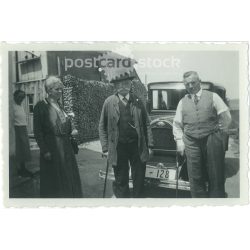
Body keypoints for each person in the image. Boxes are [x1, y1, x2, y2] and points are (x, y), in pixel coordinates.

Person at [173, 71, 232, 198]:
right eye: (187, 84)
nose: (190, 86)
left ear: (200, 81)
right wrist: (180, 141)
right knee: (194, 175)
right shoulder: (182, 102)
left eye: (193, 82)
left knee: (215, 173)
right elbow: (177, 124)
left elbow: (226, 116)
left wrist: (221, 131)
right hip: (191, 141)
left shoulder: (213, 96)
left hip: (212, 138)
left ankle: (216, 203)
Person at [99, 73, 154, 198]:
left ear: (130, 84)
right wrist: (105, 148)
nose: (123, 86)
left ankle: (137, 203)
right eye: (119, 84)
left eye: (126, 83)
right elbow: (102, 126)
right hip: (118, 147)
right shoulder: (109, 102)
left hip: (137, 146)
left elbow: (147, 124)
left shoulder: (138, 101)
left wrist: (150, 145)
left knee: (139, 178)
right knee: (120, 179)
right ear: (115, 86)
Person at [33, 76, 82, 198]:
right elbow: (38, 132)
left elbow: (65, 123)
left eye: (61, 89)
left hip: (66, 146)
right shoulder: (40, 106)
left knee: (68, 174)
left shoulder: (60, 105)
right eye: (57, 89)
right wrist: (45, 150)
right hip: (52, 147)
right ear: (49, 90)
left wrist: (72, 129)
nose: (60, 92)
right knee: (55, 179)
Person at [13, 90, 33, 178]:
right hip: (16, 129)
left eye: (23, 97)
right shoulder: (12, 107)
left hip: (23, 128)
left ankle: (23, 168)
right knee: (19, 149)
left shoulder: (20, 106)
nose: (21, 99)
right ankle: (20, 170)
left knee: (24, 149)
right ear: (15, 96)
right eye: (19, 96)